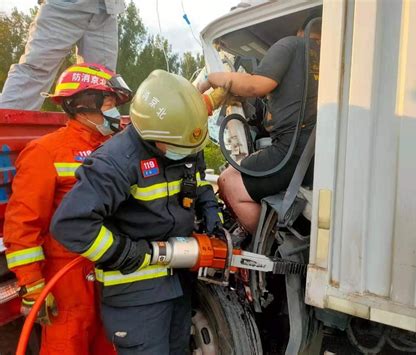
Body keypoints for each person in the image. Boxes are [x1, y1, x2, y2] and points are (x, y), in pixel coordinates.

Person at [50, 70, 225, 354]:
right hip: (136, 296)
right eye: (179, 149)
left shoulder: (180, 141)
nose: (185, 153)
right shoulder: (116, 162)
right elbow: (70, 224)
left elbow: (197, 180)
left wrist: (209, 209)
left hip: (177, 284)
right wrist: (129, 253)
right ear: (150, 133)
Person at [3, 62, 132, 354]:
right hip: (66, 279)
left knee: (110, 345)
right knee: (67, 345)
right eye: (110, 102)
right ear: (85, 103)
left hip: (109, 267)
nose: (115, 111)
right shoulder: (45, 152)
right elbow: (22, 223)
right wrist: (33, 285)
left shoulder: (114, 146)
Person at [198, 16, 321, 235]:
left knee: (229, 181)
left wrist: (211, 79)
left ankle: (268, 249)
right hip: (317, 156)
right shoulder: (331, 56)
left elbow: (256, 86)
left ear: (300, 30)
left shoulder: (291, 44)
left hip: (291, 150)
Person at [0, 0, 125, 110]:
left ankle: (92, 134)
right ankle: (6, 128)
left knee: (101, 82)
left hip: (106, 9)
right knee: (36, 69)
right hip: (63, 5)